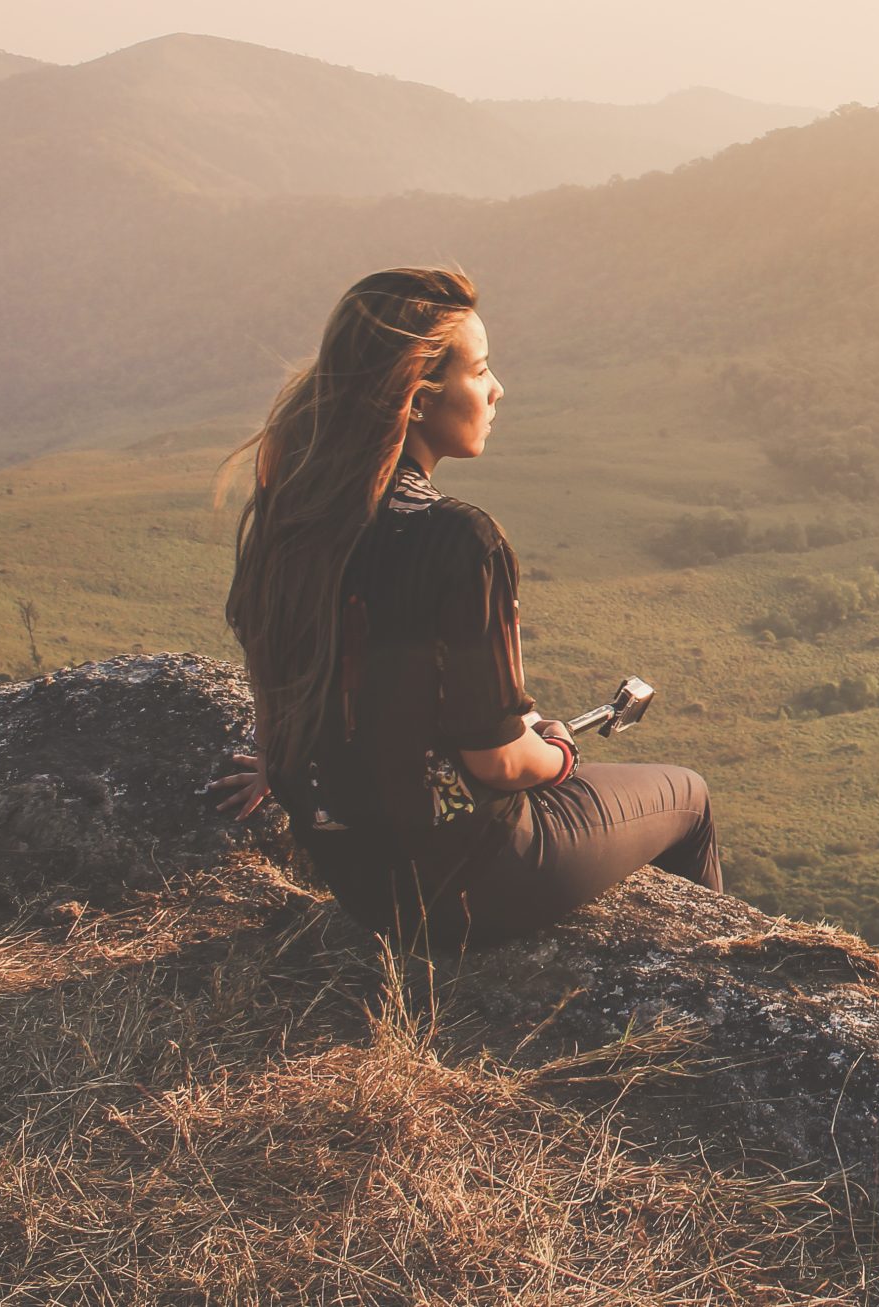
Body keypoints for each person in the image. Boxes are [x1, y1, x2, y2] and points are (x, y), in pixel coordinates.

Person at [209, 266, 719, 951]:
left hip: (359, 883)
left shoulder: (292, 509)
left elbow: (272, 660)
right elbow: (499, 764)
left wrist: (280, 761)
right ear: (418, 398)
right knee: (688, 797)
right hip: (470, 883)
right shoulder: (460, 539)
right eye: (479, 371)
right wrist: (559, 750)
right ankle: (715, 987)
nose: (496, 388)